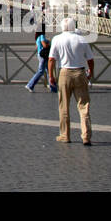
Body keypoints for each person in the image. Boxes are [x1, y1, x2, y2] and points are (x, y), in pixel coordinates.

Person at [47, 17, 94, 145]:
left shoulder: (57, 39)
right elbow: (90, 59)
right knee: (84, 106)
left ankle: (65, 135)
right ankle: (86, 136)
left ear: (62, 27)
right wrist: (91, 72)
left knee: (64, 106)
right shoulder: (82, 39)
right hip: (80, 72)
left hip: (64, 73)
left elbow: (51, 59)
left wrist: (51, 76)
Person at [24, 28, 56, 93]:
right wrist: (48, 43)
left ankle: (52, 86)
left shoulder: (37, 36)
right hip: (43, 56)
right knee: (41, 71)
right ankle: (30, 85)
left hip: (40, 54)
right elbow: (44, 45)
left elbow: (38, 46)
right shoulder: (42, 36)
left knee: (48, 70)